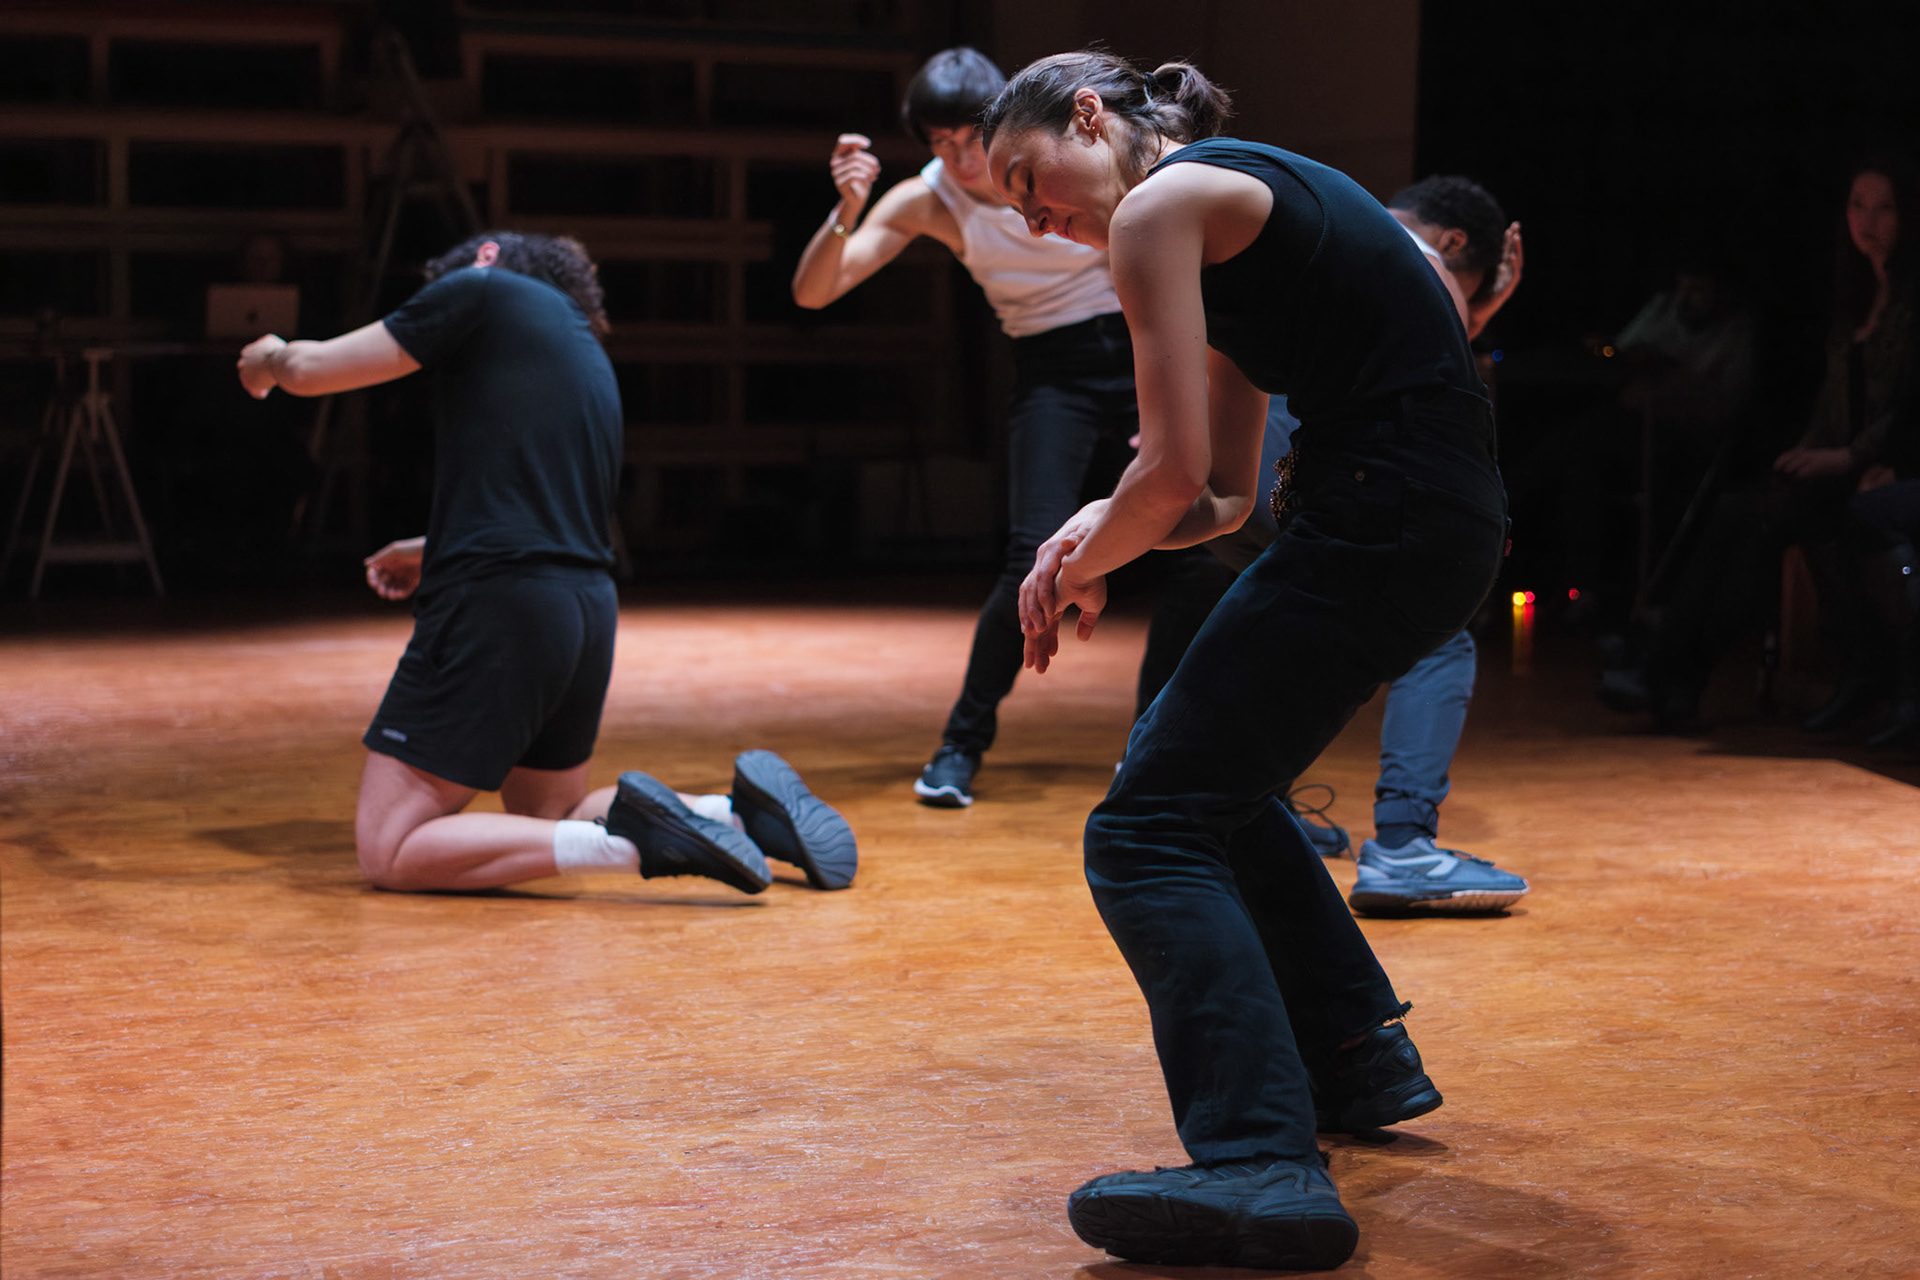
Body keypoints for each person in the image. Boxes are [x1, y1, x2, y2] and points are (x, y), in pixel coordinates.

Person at [983, 53, 1507, 1270]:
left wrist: (1070, 558)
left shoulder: (1161, 210)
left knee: (1144, 827)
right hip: (1425, 516)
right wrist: (1092, 533)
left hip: (1380, 514)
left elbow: (1169, 477)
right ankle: (1354, 1055)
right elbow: (1220, 494)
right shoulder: (1220, 204)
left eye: (1026, 178)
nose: (1032, 217)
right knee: (1208, 784)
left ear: (1089, 116)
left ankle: (1260, 1159)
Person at [236, 231, 857, 896]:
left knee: (390, 846)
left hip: (501, 600)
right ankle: (734, 815)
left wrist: (268, 359)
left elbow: (312, 370)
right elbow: (543, 499)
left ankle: (629, 844)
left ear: (485, 256)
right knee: (549, 811)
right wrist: (434, 547)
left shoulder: (480, 289)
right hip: (582, 606)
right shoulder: (580, 342)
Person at [791, 46, 1214, 809]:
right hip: (1052, 370)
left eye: (969, 139)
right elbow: (816, 292)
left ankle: (1150, 751)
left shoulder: (1059, 168)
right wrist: (847, 209)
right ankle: (960, 744)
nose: (959, 159)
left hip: (1142, 344)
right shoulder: (928, 200)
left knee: (1197, 545)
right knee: (1030, 553)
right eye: (939, 143)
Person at [1147, 175, 1530, 915]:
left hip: (1234, 464)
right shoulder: (1420, 265)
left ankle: (1241, 811)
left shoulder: (1330, 229)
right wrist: (1477, 304)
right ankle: (1405, 848)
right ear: (1455, 245)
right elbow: (1433, 367)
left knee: (1289, 625)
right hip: (1299, 468)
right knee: (1437, 632)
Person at [1600, 158, 1915, 730]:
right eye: (1857, 206)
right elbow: (1833, 405)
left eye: (1884, 207)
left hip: (1885, 464)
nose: (1867, 221)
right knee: (1738, 510)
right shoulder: (1858, 295)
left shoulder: (1910, 304)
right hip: (1844, 461)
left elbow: (1908, 411)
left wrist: (1851, 457)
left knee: (1769, 515)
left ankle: (1669, 674)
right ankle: (1672, 679)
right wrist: (1810, 449)